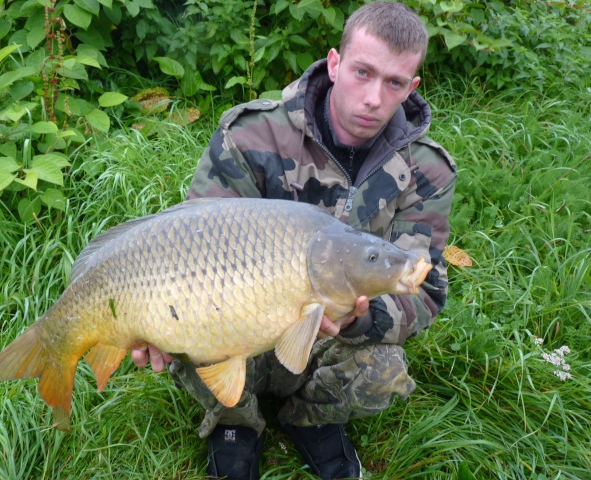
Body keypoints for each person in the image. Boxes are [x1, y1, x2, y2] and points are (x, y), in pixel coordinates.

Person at [133, 2, 457, 478]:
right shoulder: (251, 133)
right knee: (187, 324)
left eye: (393, 83)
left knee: (383, 371)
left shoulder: (427, 170)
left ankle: (310, 418)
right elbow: (192, 245)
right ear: (334, 63)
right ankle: (236, 422)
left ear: (411, 88)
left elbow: (425, 290)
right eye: (362, 73)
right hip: (242, 319)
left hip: (333, 335)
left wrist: (350, 319)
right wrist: (150, 319)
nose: (373, 98)